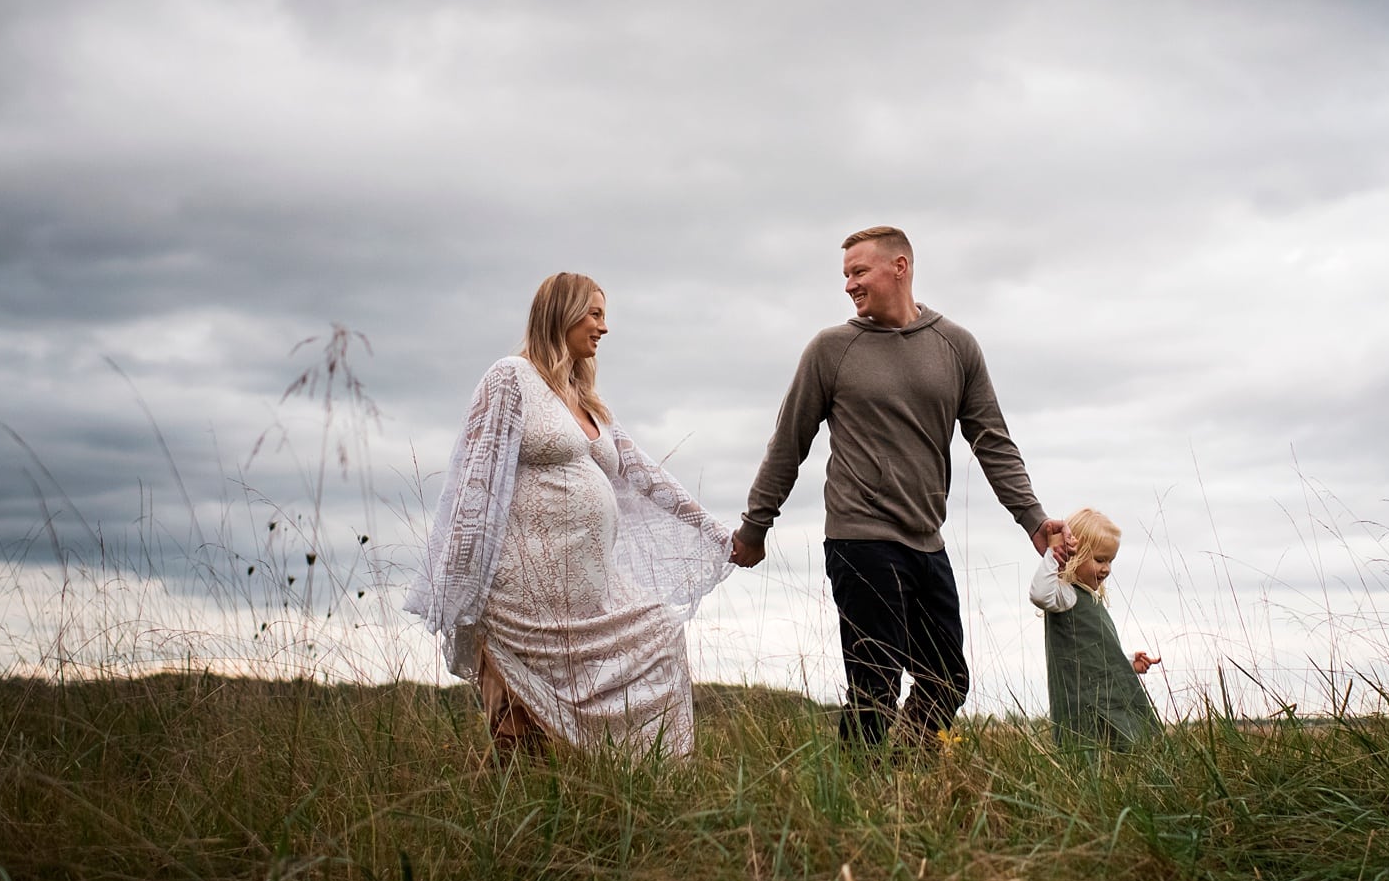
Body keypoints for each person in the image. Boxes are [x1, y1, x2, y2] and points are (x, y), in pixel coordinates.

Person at [729, 226, 1065, 747]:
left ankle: (904, 777)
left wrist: (1034, 519)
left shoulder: (956, 345)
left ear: (900, 267)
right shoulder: (831, 349)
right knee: (874, 684)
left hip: (927, 540)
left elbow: (993, 442)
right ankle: (858, 807)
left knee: (948, 680)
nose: (849, 285)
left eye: (859, 272)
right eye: (846, 275)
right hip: (858, 537)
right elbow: (787, 442)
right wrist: (755, 526)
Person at [405, 273, 734, 758]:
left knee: (660, 635)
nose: (604, 327)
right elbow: (474, 480)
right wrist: (460, 582)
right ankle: (515, 812)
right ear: (562, 314)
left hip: (587, 591)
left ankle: (637, 788)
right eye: (595, 313)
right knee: (520, 726)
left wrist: (720, 534)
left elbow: (645, 474)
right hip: (524, 590)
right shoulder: (510, 378)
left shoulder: (586, 401)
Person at [1029, 507, 1163, 750]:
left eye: (1110, 561)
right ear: (1074, 555)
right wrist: (1054, 554)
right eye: (1100, 560)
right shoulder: (1065, 596)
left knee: (1124, 750)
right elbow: (1039, 594)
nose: (1107, 568)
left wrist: (1127, 660)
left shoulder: (1091, 599)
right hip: (1081, 702)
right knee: (1087, 749)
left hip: (1103, 696)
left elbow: (1097, 651)